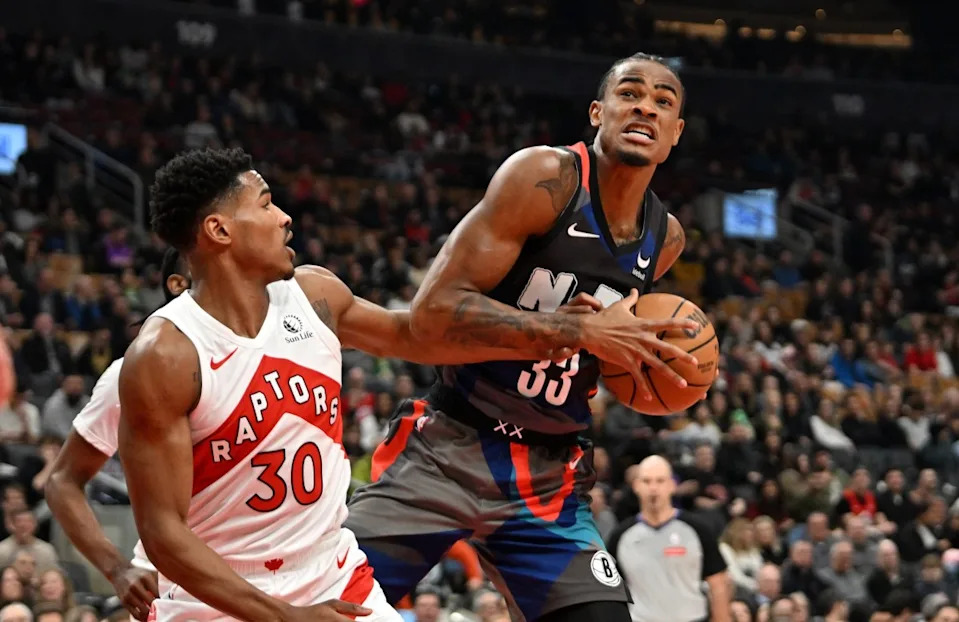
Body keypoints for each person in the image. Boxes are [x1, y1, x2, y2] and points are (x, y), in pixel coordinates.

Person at [119, 148, 630, 622]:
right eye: (267, 204)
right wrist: (285, 617)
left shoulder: (314, 295)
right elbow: (163, 536)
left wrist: (556, 331)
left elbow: (414, 335)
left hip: (331, 572)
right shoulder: (165, 354)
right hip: (220, 594)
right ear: (219, 230)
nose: (285, 217)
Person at [347, 52, 701, 622]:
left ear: (676, 133)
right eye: (630, 93)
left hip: (548, 480)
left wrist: (652, 365)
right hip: (450, 449)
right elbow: (431, 313)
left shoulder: (667, 239)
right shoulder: (543, 179)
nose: (646, 108)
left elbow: (605, 350)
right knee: (315, 604)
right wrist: (568, 328)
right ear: (597, 112)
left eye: (664, 102)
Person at [45, 249, 190, 621]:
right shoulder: (134, 372)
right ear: (179, 284)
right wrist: (117, 568)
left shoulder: (264, 356)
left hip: (274, 573)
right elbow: (62, 480)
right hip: (181, 588)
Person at [607, 455, 730, 622]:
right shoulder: (621, 536)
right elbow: (608, 592)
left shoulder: (697, 529)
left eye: (660, 481)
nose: (653, 488)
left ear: (672, 485)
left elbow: (718, 585)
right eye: (646, 481)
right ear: (636, 486)